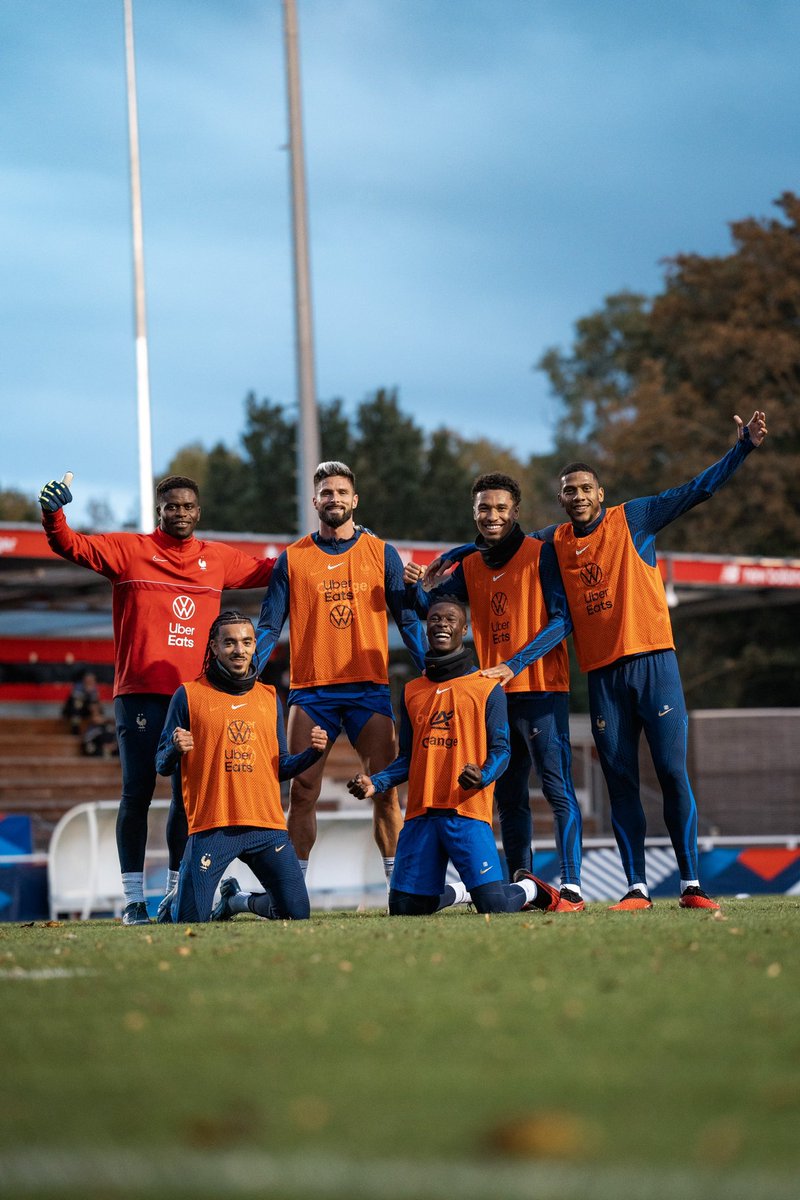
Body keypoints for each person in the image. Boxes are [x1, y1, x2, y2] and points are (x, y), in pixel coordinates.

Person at [495, 410, 768, 911]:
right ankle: (636, 887)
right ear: (560, 498)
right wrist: (446, 560)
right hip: (602, 677)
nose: (576, 495)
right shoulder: (553, 543)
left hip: (654, 666)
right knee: (619, 781)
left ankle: (691, 886)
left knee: (670, 772)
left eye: (584, 488)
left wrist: (743, 447)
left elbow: (696, 489)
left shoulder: (633, 517)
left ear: (600, 494)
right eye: (568, 490)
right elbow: (499, 543)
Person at [38, 473, 275, 925]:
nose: (180, 512)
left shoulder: (217, 559)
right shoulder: (129, 552)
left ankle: (173, 894)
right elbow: (71, 544)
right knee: (137, 794)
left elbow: (277, 570)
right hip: (140, 696)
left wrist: (326, 546)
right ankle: (132, 901)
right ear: (160, 509)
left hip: (196, 700)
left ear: (198, 512)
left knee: (186, 802)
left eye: (188, 506)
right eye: (172, 506)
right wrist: (53, 514)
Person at [403, 473, 584, 912]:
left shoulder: (542, 554)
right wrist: (418, 585)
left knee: (558, 789)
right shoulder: (468, 566)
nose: (493, 516)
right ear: (474, 512)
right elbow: (436, 614)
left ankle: (573, 886)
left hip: (541, 689)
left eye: (501, 508)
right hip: (493, 697)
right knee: (509, 798)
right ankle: (522, 883)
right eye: (485, 508)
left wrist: (513, 664)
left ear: (516, 511)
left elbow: (564, 621)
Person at [255, 461, 427, 885]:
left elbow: (408, 621)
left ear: (355, 500)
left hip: (368, 689)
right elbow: (268, 627)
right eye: (326, 493)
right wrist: (242, 677)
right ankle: (294, 892)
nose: (334, 499)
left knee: (386, 791)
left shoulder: (381, 552)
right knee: (302, 791)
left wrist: (433, 672)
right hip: (311, 692)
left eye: (341, 492)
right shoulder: (292, 559)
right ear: (315, 501)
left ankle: (397, 888)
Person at [347, 600, 558, 915]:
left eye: (450, 619)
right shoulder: (411, 691)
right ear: (426, 627)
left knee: (494, 907)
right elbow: (407, 758)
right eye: (434, 619)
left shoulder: (487, 689)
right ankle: (462, 892)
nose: (441, 624)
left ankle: (529, 887)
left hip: (466, 813)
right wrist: (374, 784)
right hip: (421, 816)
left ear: (464, 629)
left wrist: (483, 776)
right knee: (404, 909)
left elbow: (502, 751)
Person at [155, 612, 327, 924]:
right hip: (212, 827)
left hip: (266, 827)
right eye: (230, 642)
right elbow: (161, 764)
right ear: (214, 647)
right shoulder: (189, 696)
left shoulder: (269, 696)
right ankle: (174, 902)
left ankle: (235, 901)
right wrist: (173, 748)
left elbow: (280, 767)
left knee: (296, 913)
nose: (239, 650)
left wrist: (313, 754)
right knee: (190, 921)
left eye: (246, 642)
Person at [62, 670, 101, 735]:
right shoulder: (78, 687)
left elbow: (95, 702)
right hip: (73, 710)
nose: (91, 682)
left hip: (85, 709)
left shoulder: (94, 689)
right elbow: (77, 703)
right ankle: (75, 729)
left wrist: (95, 709)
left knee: (99, 709)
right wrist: (88, 694)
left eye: (92, 680)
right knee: (76, 710)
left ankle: (98, 729)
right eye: (89, 680)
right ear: (85, 680)